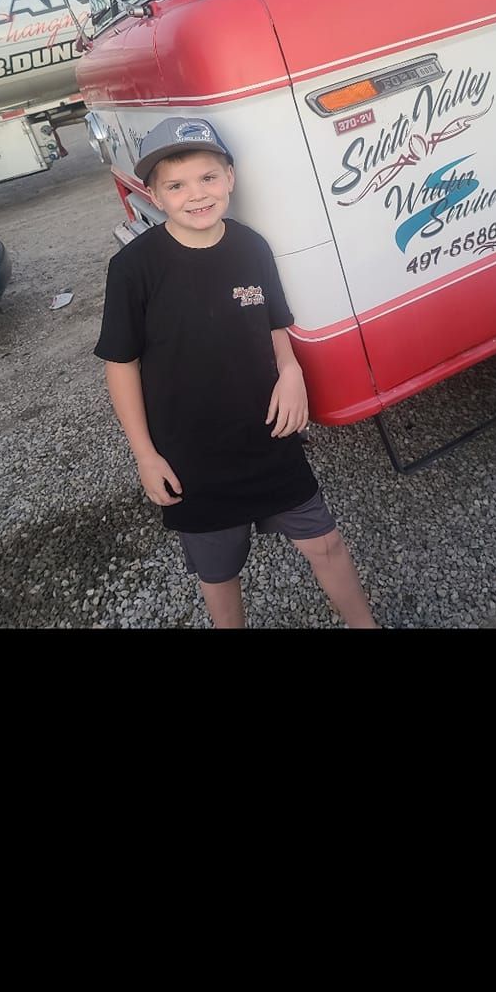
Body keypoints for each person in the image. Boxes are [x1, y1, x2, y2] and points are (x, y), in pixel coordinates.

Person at [95, 116, 379, 630]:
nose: (196, 194)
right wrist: (145, 456)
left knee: (326, 543)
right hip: (191, 457)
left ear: (230, 177)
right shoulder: (134, 268)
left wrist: (290, 371)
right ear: (154, 195)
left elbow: (274, 322)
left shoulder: (251, 246)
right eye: (176, 185)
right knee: (219, 574)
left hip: (268, 437)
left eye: (208, 177)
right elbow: (121, 364)